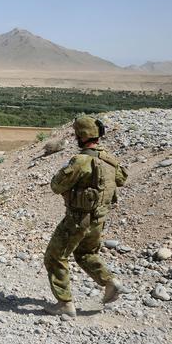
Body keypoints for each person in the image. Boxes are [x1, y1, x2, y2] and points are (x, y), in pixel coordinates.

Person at [43, 115, 128, 317]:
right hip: (99, 220)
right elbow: (121, 179)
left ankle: (65, 304)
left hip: (77, 220)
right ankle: (110, 281)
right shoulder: (109, 159)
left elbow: (56, 186)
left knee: (55, 257)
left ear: (80, 136)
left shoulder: (81, 161)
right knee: (85, 254)